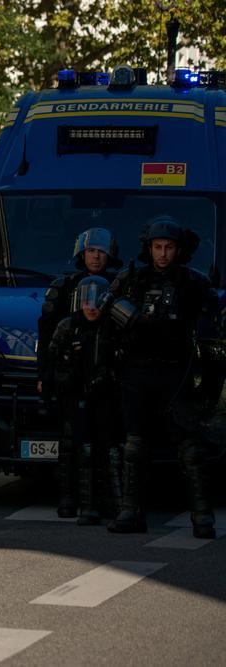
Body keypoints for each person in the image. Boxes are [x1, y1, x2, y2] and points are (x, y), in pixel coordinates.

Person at [106, 216, 217, 538]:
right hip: (136, 370)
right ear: (149, 248)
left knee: (190, 447)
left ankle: (202, 516)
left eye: (169, 247)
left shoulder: (193, 283)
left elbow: (210, 329)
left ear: (178, 249)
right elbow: (106, 313)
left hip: (175, 370)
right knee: (134, 444)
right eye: (158, 247)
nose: (163, 254)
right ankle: (130, 512)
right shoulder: (131, 279)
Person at [38, 227, 120, 517]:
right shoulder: (64, 286)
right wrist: (45, 376)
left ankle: (107, 500)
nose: (96, 257)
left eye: (101, 252)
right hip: (71, 375)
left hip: (106, 376)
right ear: (81, 254)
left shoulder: (119, 285)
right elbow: (47, 335)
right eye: (90, 251)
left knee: (108, 443)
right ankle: (69, 497)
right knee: (71, 441)